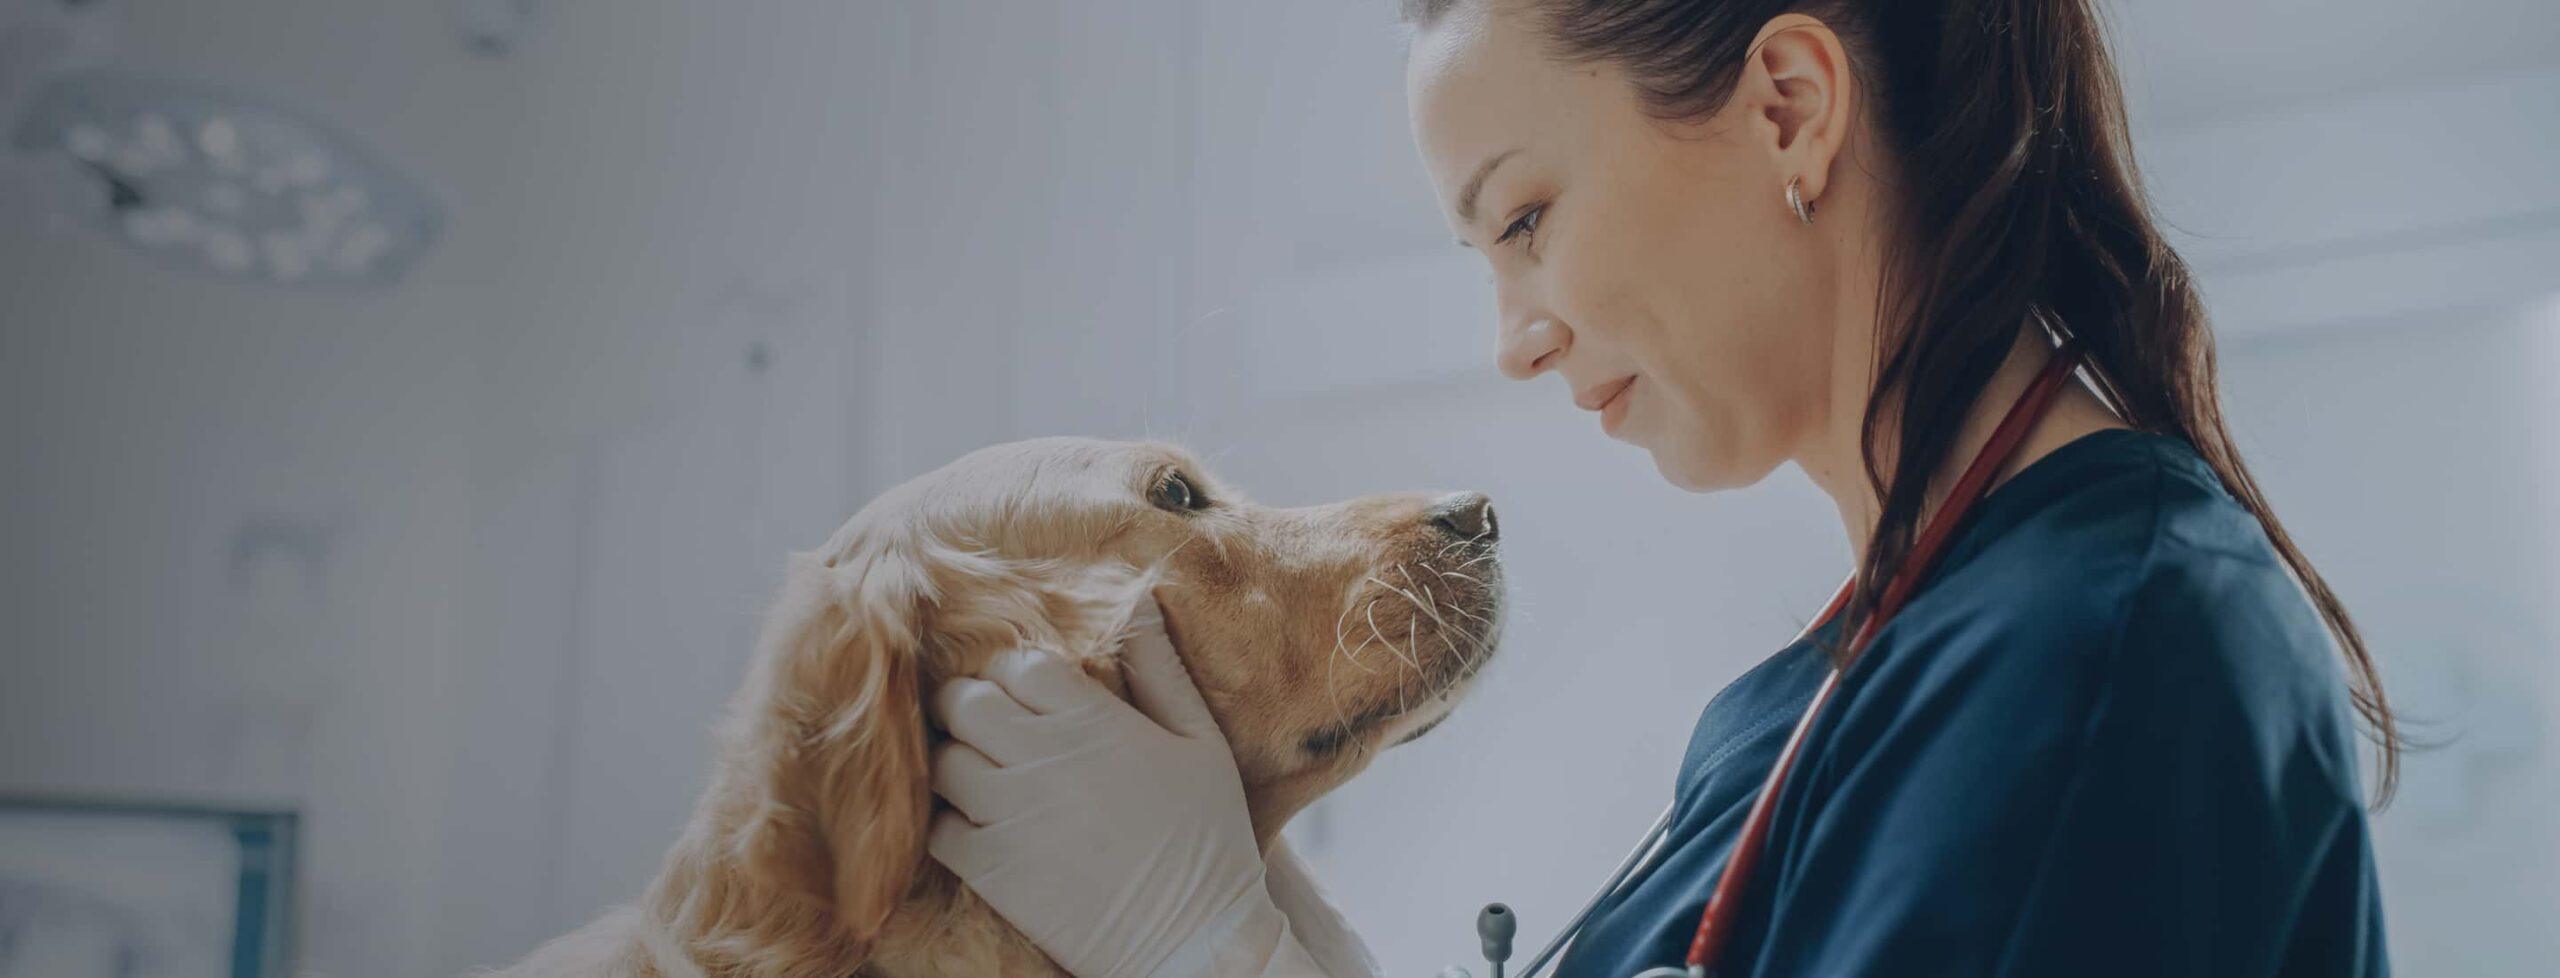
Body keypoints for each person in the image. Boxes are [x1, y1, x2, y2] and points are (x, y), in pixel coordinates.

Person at [921, 1, 2397, 975]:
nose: (1514, 339)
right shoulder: (1819, 699)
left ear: (1788, 109)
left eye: (1524, 219)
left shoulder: (2100, 653)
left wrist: (1209, 951)